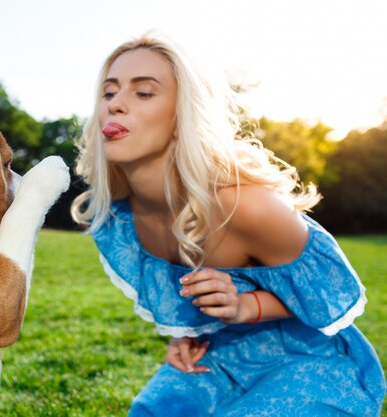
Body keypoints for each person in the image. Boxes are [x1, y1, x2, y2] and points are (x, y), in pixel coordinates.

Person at [71, 34, 385, 416]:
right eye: (108, 93)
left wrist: (242, 305)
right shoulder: (118, 219)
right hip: (219, 355)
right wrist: (186, 332)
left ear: (181, 115)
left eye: (144, 93)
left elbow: (336, 289)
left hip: (309, 359)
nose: (115, 106)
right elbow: (185, 303)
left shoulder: (246, 206)